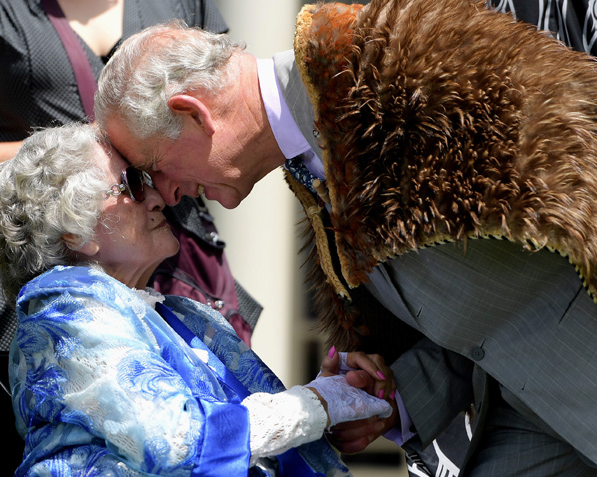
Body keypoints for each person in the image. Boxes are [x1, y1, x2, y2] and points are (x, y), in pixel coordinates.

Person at [93, 0, 597, 474]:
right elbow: (486, 312)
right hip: (530, 419)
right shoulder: (312, 159)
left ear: (192, 113)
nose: (166, 195)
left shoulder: (396, 62)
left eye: (152, 170)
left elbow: (580, 146)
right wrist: (392, 395)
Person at [0, 1, 259, 472]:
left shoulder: (181, 3)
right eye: (132, 178)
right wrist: (89, 160)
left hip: (178, 277)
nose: (150, 189)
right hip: (40, 289)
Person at [0, 121, 394, 476]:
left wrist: (342, 394)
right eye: (132, 184)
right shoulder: (64, 309)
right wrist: (316, 405)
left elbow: (260, 432)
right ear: (74, 230)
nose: (158, 197)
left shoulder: (183, 314)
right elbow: (176, 439)